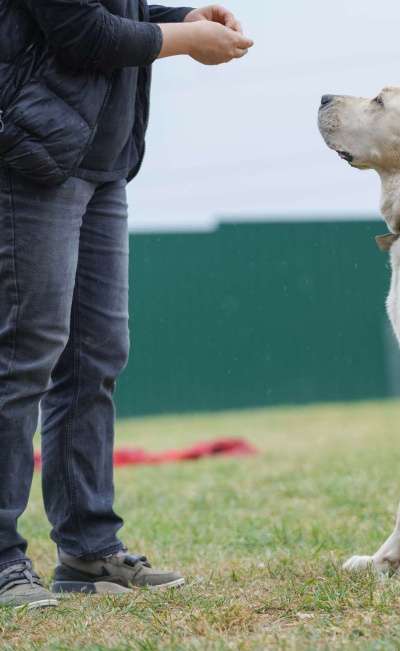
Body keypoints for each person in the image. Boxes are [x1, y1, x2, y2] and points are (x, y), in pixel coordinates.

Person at [0, 0, 253, 609]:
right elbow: (82, 31)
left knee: (96, 356)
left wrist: (184, 15)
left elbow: (118, 12)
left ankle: (88, 552)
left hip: (100, 166)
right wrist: (185, 38)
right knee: (24, 355)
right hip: (33, 159)